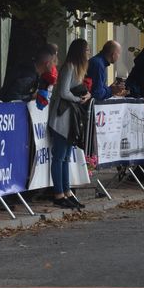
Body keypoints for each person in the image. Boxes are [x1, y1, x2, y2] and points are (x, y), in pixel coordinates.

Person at [48, 38, 92, 209]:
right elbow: (64, 91)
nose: (89, 53)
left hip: (69, 119)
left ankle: (67, 191)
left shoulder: (78, 69)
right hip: (62, 117)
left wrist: (86, 95)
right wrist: (78, 99)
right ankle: (58, 193)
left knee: (65, 157)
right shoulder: (69, 67)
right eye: (87, 50)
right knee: (59, 157)